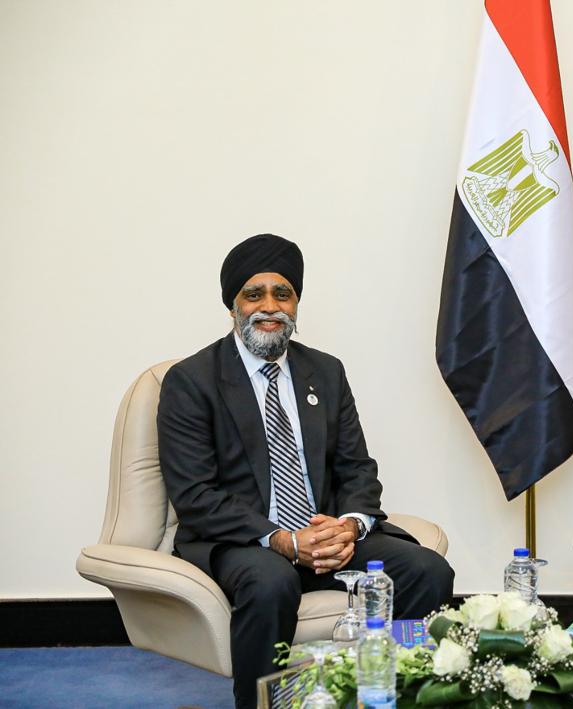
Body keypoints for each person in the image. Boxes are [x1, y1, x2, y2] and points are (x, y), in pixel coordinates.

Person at [157, 233, 455, 709]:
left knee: (427, 571)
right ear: (232, 305)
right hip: (244, 540)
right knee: (271, 582)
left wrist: (348, 527)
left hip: (324, 534)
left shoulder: (326, 372)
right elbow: (195, 494)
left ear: (296, 303)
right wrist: (282, 539)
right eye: (254, 294)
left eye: (283, 293)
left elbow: (357, 468)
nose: (269, 306)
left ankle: (391, 695)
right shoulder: (192, 381)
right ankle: (265, 705)